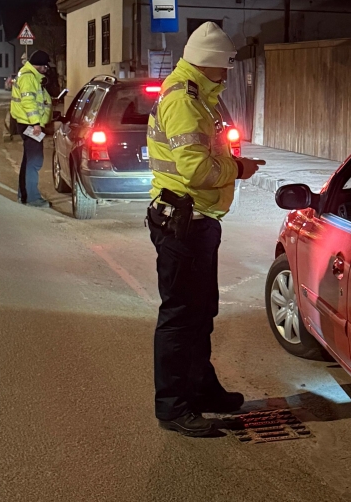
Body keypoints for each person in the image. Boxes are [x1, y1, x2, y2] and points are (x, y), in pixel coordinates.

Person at [146, 22, 265, 437]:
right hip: (184, 223)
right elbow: (196, 170)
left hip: (194, 221)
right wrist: (240, 169)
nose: (228, 73)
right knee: (181, 317)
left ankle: (200, 389)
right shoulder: (185, 100)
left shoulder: (198, 97)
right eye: (224, 66)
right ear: (208, 63)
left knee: (200, 313)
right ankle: (173, 407)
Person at [10, 50, 53, 207]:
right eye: (45, 66)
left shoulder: (29, 76)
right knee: (34, 161)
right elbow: (29, 102)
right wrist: (36, 124)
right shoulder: (28, 77)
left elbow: (38, 100)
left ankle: (24, 194)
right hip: (30, 124)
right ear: (39, 65)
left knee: (28, 160)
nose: (46, 69)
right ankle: (32, 198)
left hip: (26, 123)